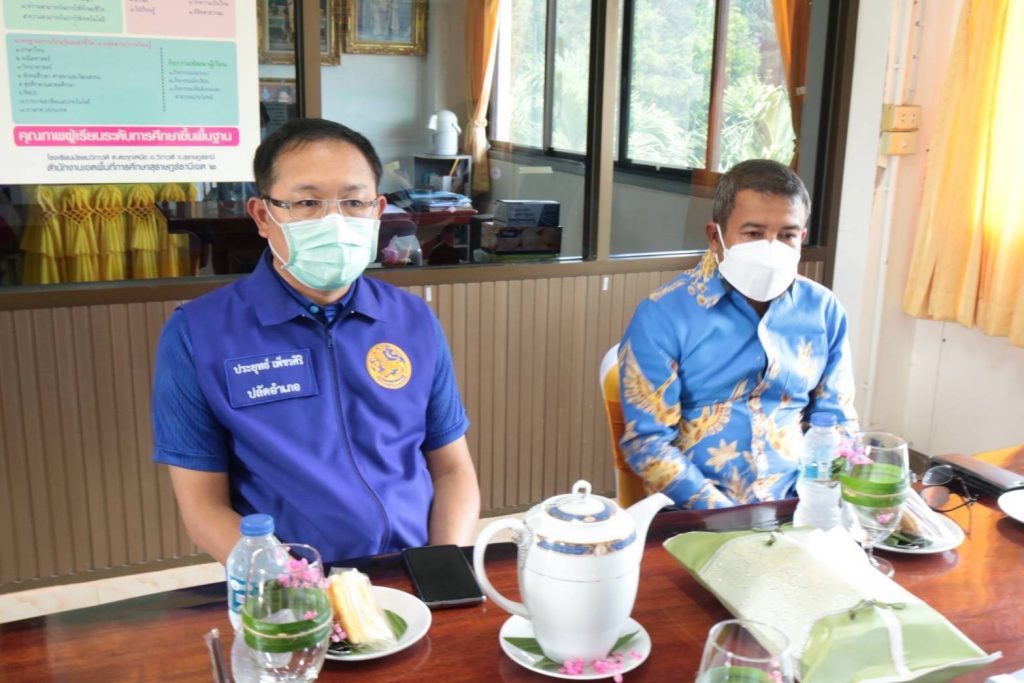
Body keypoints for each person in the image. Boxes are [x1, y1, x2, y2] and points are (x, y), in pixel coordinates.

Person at [151, 118, 480, 564]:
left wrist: (444, 566)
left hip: (416, 569)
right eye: (308, 202)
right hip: (291, 580)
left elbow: (452, 468)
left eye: (354, 202)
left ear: (378, 210)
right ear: (263, 215)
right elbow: (202, 508)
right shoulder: (199, 334)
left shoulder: (412, 319)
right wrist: (295, 587)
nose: (334, 221)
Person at [618, 159, 857, 509]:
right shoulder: (664, 315)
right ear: (716, 237)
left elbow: (838, 423)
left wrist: (823, 501)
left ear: (802, 238)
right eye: (754, 234)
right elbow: (647, 444)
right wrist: (723, 516)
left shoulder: (823, 311)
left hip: (800, 506)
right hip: (699, 514)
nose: (771, 249)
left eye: (787, 235)